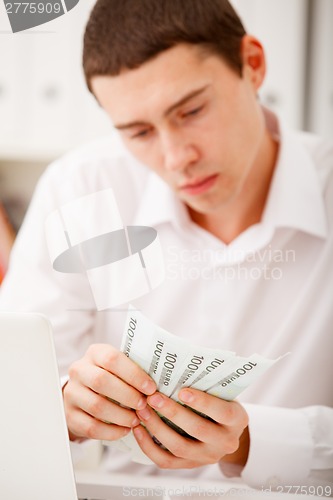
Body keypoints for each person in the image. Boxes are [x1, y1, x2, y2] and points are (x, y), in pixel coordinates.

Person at [1, 0, 332, 492]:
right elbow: (13, 395)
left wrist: (251, 440)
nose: (177, 158)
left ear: (253, 65)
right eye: (138, 132)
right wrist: (64, 406)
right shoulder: (79, 188)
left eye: (192, 110)